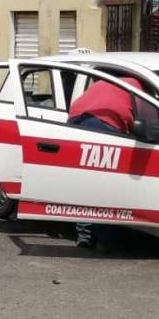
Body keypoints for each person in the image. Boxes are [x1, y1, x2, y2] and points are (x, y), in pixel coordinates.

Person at [67, 75, 144, 249]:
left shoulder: (106, 81)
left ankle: (84, 236)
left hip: (74, 121)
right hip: (104, 125)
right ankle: (105, 240)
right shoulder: (138, 87)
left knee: (86, 185)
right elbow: (140, 121)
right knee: (107, 186)